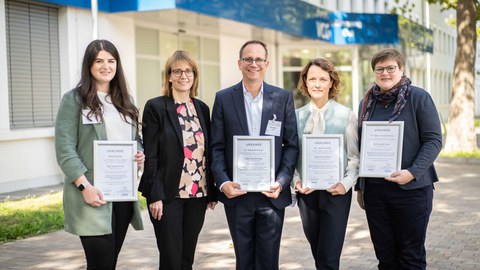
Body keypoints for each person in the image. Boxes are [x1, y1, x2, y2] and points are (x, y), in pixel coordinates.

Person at [55, 39, 144, 269]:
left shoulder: (126, 101)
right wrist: (85, 187)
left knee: (110, 262)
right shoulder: (74, 100)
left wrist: (140, 154)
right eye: (99, 61)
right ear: (89, 65)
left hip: (122, 196)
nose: (106, 66)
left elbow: (135, 140)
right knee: (100, 263)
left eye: (111, 61)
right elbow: (65, 149)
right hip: (92, 195)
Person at [210, 40, 299, 270]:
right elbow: (216, 147)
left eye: (259, 59)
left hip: (271, 194)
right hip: (237, 194)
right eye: (248, 59)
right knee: (244, 260)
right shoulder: (223, 99)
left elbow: (291, 145)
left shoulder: (282, 98)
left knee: (269, 262)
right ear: (239, 63)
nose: (253, 64)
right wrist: (223, 183)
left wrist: (281, 182)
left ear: (267, 63)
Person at [356, 48, 442, 269]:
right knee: (385, 257)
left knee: (410, 257)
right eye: (379, 69)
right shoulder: (367, 102)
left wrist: (412, 172)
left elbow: (433, 140)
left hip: (411, 190)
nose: (385, 73)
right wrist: (361, 187)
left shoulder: (418, 97)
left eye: (390, 68)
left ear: (401, 69)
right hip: (375, 192)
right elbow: (361, 145)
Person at [139, 50, 217, 270]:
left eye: (188, 71)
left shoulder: (201, 108)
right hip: (167, 195)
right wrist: (154, 195)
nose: (184, 75)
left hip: (198, 194)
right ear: (169, 76)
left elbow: (207, 153)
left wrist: (211, 190)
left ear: (194, 75)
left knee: (186, 257)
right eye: (178, 71)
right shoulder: (155, 107)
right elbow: (151, 155)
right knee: (171, 258)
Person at [293, 58, 359, 270]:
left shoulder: (346, 115)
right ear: (305, 82)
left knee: (329, 258)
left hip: (336, 194)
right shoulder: (296, 117)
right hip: (307, 193)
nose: (317, 84)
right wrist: (296, 182)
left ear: (331, 82)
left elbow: (354, 157)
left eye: (323, 79)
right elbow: (291, 156)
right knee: (318, 252)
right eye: (312, 79)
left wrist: (346, 183)